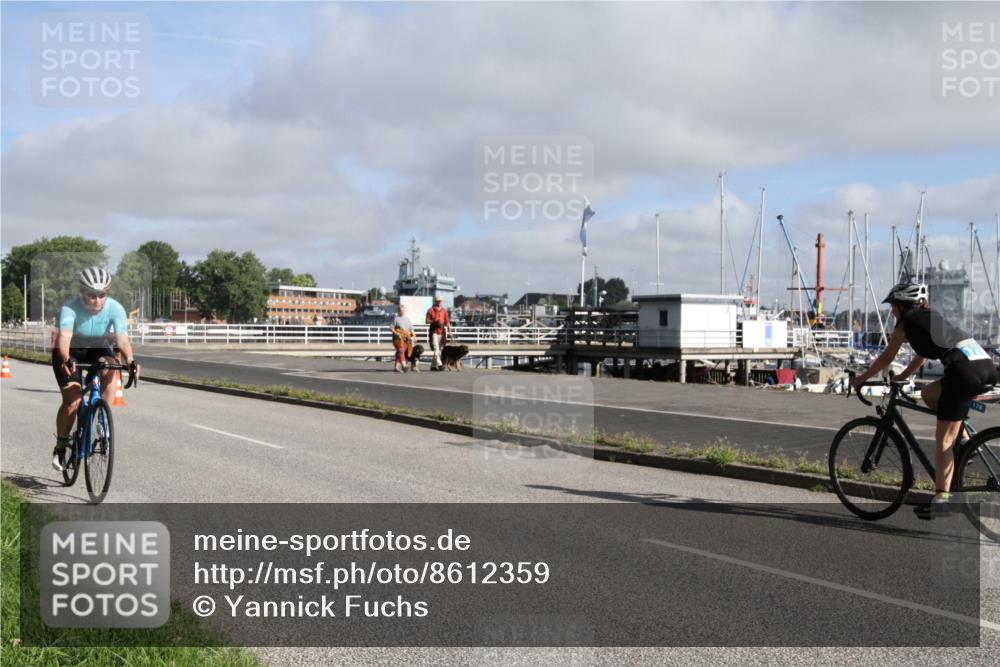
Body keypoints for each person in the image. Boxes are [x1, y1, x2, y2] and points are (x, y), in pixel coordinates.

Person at [850, 281, 997, 519]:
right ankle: (967, 444)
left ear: (902, 305)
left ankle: (942, 499)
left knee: (944, 440)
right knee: (928, 394)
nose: (892, 311)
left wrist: (860, 379)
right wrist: (904, 376)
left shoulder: (907, 322)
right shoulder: (931, 317)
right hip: (984, 364)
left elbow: (887, 356)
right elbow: (922, 353)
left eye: (893, 306)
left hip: (964, 372)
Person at [51, 267, 139, 471]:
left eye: (102, 295)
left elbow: (122, 339)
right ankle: (61, 446)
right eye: (92, 295)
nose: (97, 301)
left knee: (110, 366)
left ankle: (102, 417)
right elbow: (64, 338)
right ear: (83, 292)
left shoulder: (115, 308)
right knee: (73, 400)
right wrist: (66, 358)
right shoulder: (70, 308)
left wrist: (131, 360)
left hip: (97, 347)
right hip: (70, 350)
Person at [425, 296, 451, 371]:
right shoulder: (430, 310)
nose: (439, 302)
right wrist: (434, 321)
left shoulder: (444, 311)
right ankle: (440, 364)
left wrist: (450, 331)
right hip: (434, 332)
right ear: (435, 301)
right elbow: (426, 321)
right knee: (436, 349)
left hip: (442, 332)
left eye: (440, 301)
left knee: (439, 350)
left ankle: (433, 366)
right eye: (438, 301)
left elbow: (447, 322)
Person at [391, 304, 415, 373]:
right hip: (398, 339)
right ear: (399, 311)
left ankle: (396, 367)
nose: (402, 312)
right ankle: (404, 365)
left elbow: (411, 329)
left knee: (400, 352)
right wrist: (396, 333)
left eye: (403, 310)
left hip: (406, 338)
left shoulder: (407, 319)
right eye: (401, 310)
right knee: (401, 351)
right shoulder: (396, 318)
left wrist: (414, 336)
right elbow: (391, 328)